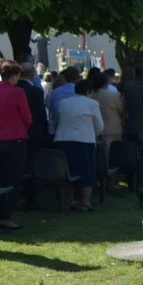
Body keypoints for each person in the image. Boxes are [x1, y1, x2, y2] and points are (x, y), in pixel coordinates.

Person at [0, 60, 32, 230]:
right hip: (15, 139)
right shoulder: (18, 92)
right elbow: (27, 117)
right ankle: (5, 217)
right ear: (14, 76)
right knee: (13, 180)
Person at [53, 79, 103, 211]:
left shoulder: (63, 103)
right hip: (84, 140)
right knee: (87, 172)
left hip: (63, 139)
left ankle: (68, 202)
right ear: (88, 91)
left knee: (67, 172)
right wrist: (94, 133)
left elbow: (57, 120)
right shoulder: (92, 103)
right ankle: (85, 203)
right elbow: (99, 125)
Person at [17, 63, 49, 210]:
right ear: (32, 74)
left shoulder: (14, 88)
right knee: (31, 166)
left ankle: (16, 195)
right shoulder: (35, 91)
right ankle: (30, 198)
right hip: (31, 132)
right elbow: (41, 115)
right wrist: (45, 131)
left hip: (13, 132)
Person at [90, 73, 125, 157]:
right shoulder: (114, 96)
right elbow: (122, 111)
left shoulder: (90, 96)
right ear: (106, 83)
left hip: (94, 129)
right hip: (112, 129)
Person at [48, 65, 81, 134]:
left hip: (60, 129)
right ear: (78, 78)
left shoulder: (55, 92)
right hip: (79, 129)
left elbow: (51, 110)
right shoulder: (81, 91)